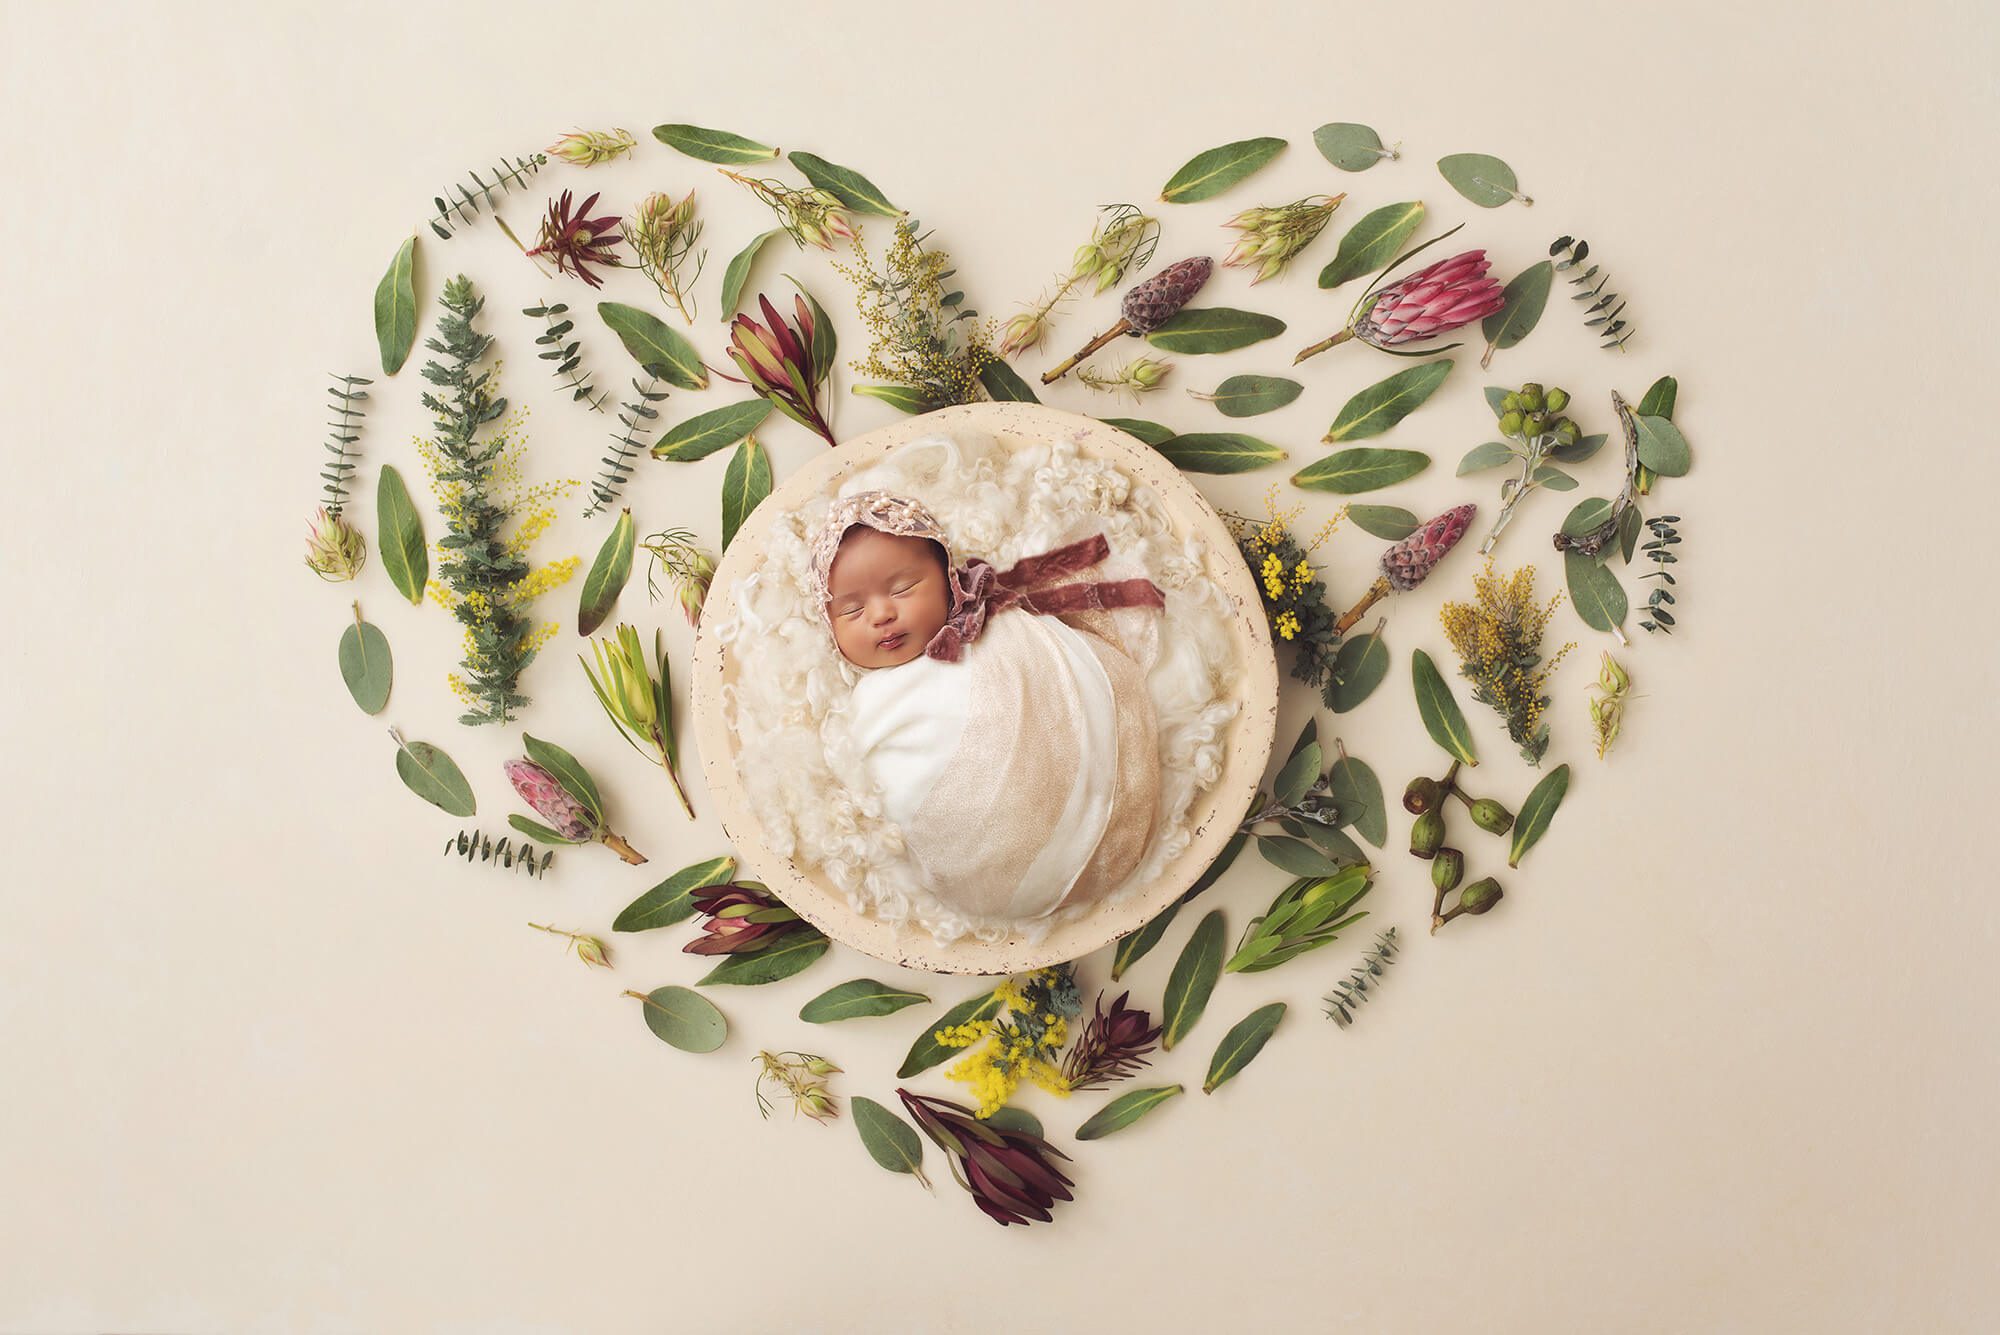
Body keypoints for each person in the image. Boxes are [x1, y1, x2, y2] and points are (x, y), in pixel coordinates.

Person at [804, 489, 1168, 927]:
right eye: (853, 610)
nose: (881, 613)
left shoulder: (1002, 625)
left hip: (1114, 792)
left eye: (903, 588)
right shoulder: (868, 704)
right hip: (987, 867)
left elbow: (1044, 671)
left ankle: (1093, 807)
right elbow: (867, 783)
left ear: (949, 580)